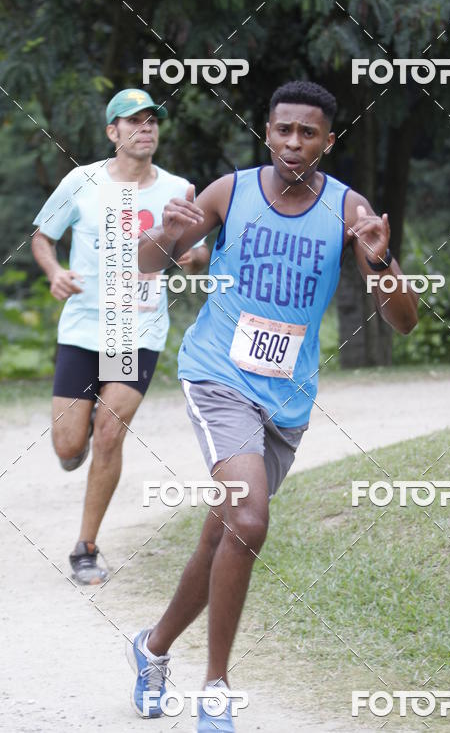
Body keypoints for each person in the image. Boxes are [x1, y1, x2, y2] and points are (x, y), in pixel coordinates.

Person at [129, 80, 419, 731]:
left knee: (222, 534)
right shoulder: (229, 192)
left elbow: (403, 322)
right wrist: (166, 238)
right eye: (283, 130)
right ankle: (217, 688)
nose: (294, 143)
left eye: (308, 133)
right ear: (267, 131)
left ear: (327, 142)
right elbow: (148, 265)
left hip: (287, 398)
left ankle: (151, 649)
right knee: (249, 519)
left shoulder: (350, 210)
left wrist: (383, 258)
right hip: (218, 375)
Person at [31, 88, 210, 586]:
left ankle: (85, 548)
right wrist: (54, 272)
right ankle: (77, 436)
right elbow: (42, 236)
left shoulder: (180, 189)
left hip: (138, 328)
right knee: (69, 448)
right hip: (85, 326)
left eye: (151, 120)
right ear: (113, 133)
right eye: (132, 121)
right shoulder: (81, 181)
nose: (144, 128)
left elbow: (197, 254)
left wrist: (189, 257)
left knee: (111, 433)